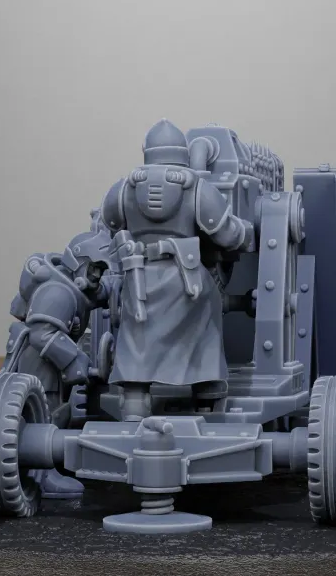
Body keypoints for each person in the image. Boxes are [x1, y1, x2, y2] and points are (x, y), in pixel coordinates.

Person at [99, 119, 254, 421]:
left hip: (139, 277)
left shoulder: (124, 188)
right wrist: (247, 232)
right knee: (205, 326)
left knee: (136, 337)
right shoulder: (194, 187)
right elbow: (227, 235)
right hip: (186, 279)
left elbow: (110, 225)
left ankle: (135, 403)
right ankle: (206, 394)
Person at [2, 213, 117, 496]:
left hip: (50, 364)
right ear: (79, 262)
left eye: (100, 271)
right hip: (39, 364)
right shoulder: (57, 292)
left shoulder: (73, 288)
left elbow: (98, 294)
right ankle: (40, 475)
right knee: (44, 413)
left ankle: (47, 467)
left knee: (56, 411)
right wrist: (75, 360)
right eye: (94, 269)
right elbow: (43, 334)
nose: (96, 277)